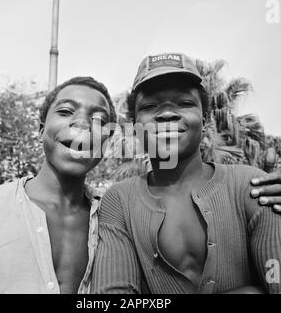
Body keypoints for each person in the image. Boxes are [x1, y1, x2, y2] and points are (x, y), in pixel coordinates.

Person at [91, 53, 281, 294]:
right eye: (150, 106)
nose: (168, 114)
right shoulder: (119, 201)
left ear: (204, 120)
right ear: (135, 124)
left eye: (184, 103)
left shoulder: (251, 186)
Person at [0, 76, 116, 293]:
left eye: (99, 120)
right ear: (40, 131)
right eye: (65, 112)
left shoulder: (116, 219)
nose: (82, 123)